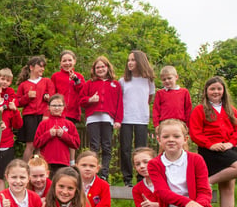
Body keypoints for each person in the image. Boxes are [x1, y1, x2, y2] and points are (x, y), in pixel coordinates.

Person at [189, 76, 237, 207]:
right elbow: (195, 132)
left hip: (228, 150)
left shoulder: (230, 110)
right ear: (206, 91)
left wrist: (230, 143)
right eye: (212, 89)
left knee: (229, 188)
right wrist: (210, 145)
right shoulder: (200, 110)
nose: (216, 92)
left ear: (223, 91)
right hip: (209, 151)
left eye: (219, 89)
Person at [79, 56, 123, 180]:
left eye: (102, 66)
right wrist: (90, 100)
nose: (100, 69)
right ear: (94, 69)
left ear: (107, 68)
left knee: (107, 146)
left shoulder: (115, 84)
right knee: (94, 146)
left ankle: (104, 174)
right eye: (97, 67)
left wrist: (118, 120)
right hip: (93, 119)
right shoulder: (89, 84)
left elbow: (120, 104)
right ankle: (93, 173)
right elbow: (81, 100)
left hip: (108, 119)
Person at [119, 50, 155, 186]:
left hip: (141, 118)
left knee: (141, 149)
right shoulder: (123, 81)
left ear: (140, 61)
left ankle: (141, 179)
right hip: (126, 119)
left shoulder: (148, 80)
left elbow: (149, 98)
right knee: (125, 149)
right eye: (129, 60)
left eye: (133, 60)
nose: (130, 63)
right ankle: (127, 179)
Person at [16, 56, 56, 162]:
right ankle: (24, 169)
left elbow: (53, 100)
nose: (42, 69)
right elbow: (17, 102)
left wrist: (48, 99)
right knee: (31, 145)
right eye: (40, 66)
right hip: (29, 116)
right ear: (31, 67)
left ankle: (39, 169)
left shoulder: (47, 81)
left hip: (43, 116)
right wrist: (27, 97)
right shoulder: (23, 84)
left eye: (44, 67)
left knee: (41, 144)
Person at [50, 50, 85, 165]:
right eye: (64, 60)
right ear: (60, 63)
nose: (67, 63)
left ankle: (72, 162)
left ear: (74, 61)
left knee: (70, 137)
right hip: (59, 112)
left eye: (70, 60)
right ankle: (56, 161)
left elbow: (83, 92)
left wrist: (76, 81)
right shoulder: (56, 76)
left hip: (73, 113)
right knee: (57, 137)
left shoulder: (79, 76)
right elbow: (52, 94)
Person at [33, 94, 80, 176]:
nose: (57, 108)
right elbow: (36, 143)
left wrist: (64, 135)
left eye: (59, 105)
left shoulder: (69, 124)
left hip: (63, 162)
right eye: (54, 105)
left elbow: (76, 144)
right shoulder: (43, 124)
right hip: (47, 162)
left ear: (63, 107)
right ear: (49, 107)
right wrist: (48, 134)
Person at [152, 65, 191, 131]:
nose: (167, 81)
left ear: (176, 77)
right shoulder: (160, 93)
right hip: (164, 123)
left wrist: (188, 125)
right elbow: (156, 109)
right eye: (164, 79)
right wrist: (156, 125)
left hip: (180, 123)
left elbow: (188, 109)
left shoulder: (184, 92)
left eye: (169, 78)